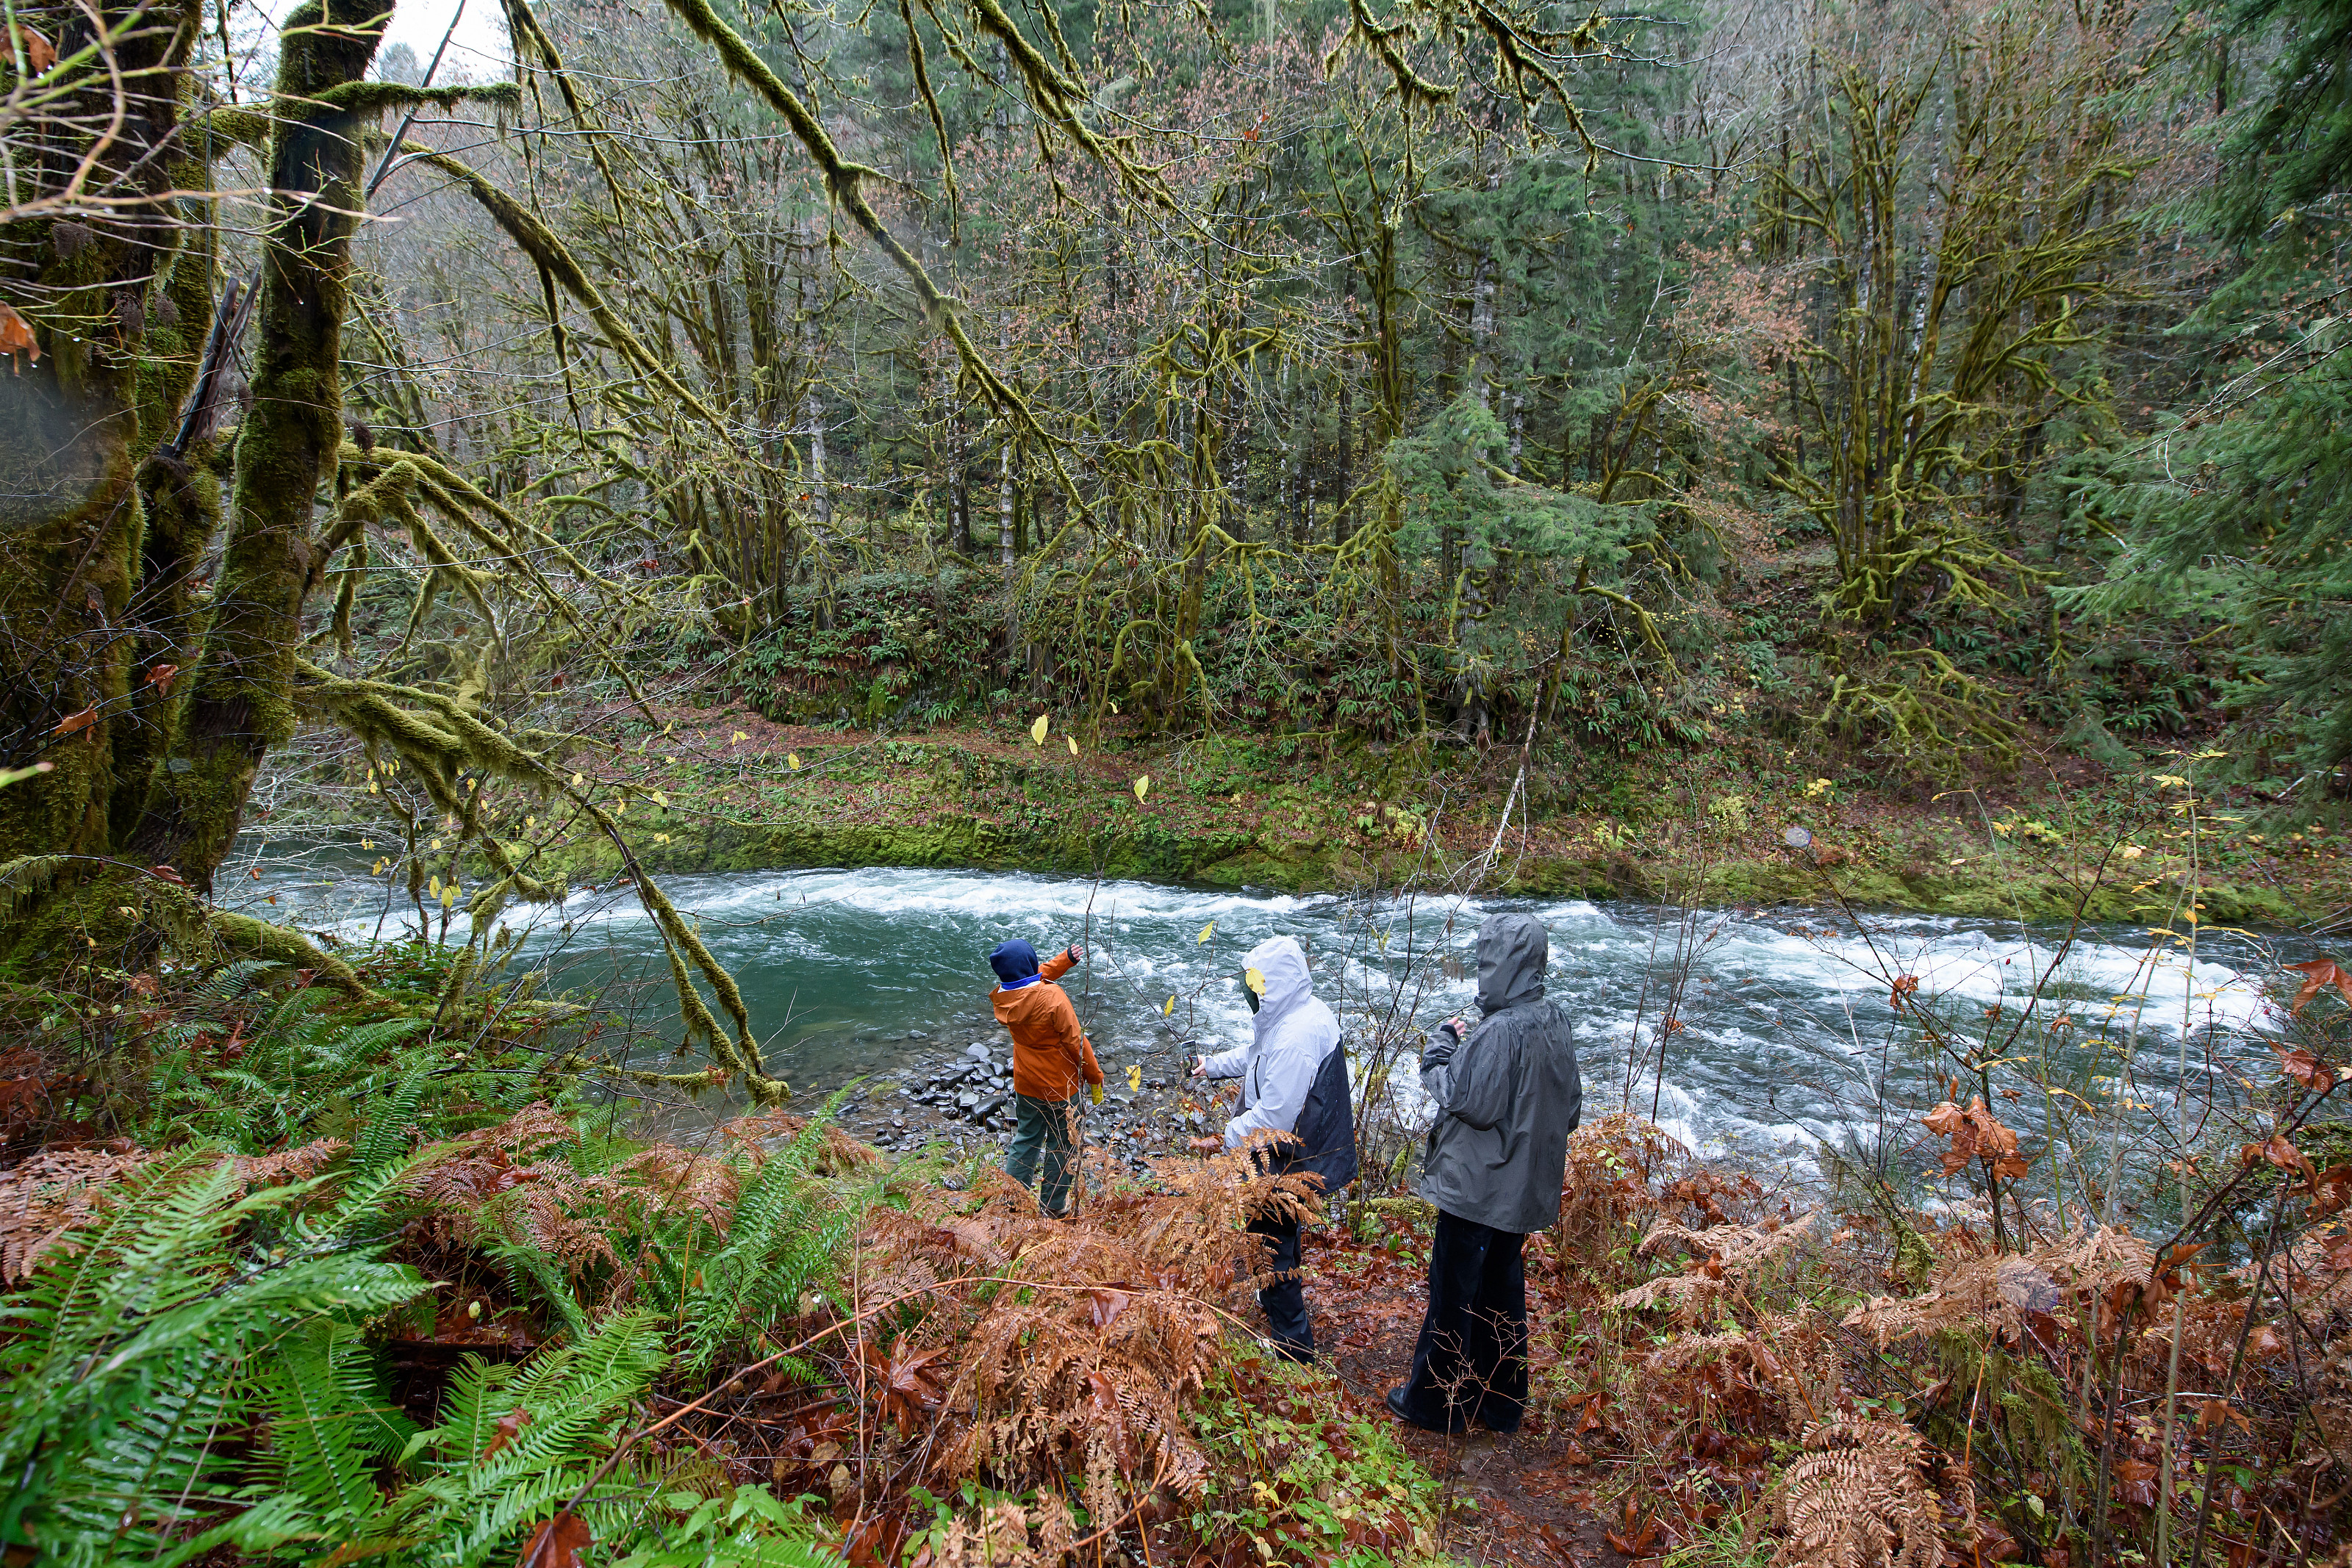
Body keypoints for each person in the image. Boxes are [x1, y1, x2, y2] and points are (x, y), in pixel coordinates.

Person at [1387, 912, 1579, 1435]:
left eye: (1486, 961)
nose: (1480, 971)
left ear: (1505, 964)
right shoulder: (1554, 1021)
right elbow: (1571, 1109)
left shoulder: (1499, 1031)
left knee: (1453, 1296)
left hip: (1477, 1190)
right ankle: (1501, 1404)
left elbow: (1465, 1098)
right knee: (1502, 1298)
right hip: (1519, 1194)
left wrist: (1444, 1044)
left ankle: (1433, 1406)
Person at [1190, 935, 1358, 1363]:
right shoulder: (1295, 1014)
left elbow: (1275, 1118)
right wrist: (1213, 1067)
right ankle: (1278, 1306)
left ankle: (1294, 1348)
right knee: (1282, 1230)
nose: (1251, 993)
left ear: (1274, 985)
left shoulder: (1296, 1036)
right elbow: (1257, 1055)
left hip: (1293, 1157)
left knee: (1270, 1240)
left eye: (1256, 986)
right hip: (1306, 1150)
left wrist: (1226, 1137)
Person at [989, 937, 1105, 1217]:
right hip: (1059, 1086)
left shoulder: (1004, 996)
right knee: (1062, 1144)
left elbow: (1032, 978)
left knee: (1026, 1139)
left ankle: (1012, 1202)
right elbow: (1076, 1042)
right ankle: (1053, 1207)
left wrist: (1065, 960)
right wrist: (1095, 1076)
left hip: (1026, 1082)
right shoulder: (1053, 998)